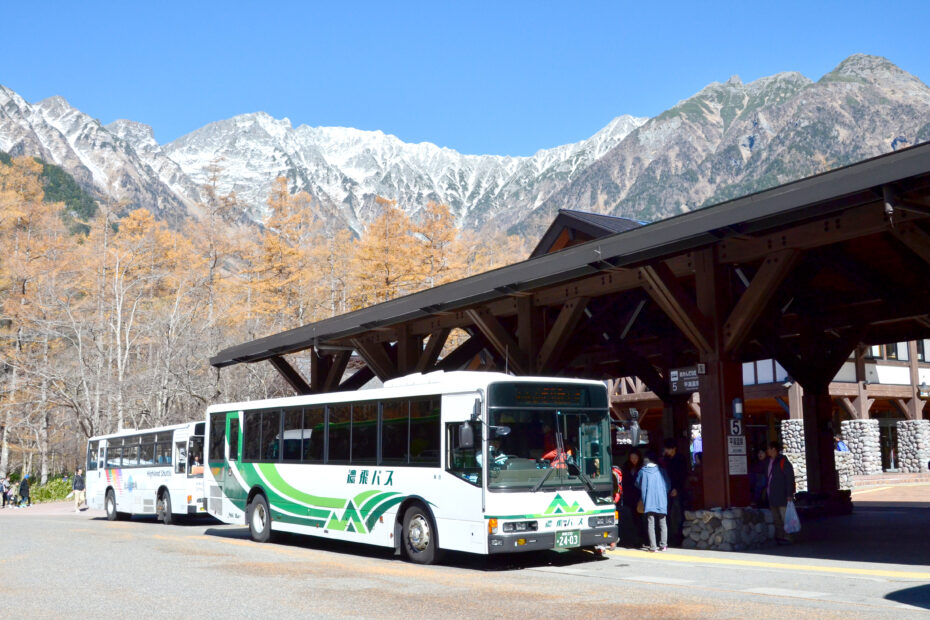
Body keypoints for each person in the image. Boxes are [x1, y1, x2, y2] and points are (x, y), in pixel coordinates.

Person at [635, 451, 670, 552]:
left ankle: (653, 547)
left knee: (651, 523)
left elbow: (637, 483)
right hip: (661, 499)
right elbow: (668, 484)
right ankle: (663, 545)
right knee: (663, 522)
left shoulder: (642, 471)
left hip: (649, 500)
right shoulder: (662, 470)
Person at [766, 441, 796, 544]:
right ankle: (780, 536)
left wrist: (789, 494)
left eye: (769, 449)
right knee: (776, 518)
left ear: (774, 449)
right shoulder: (769, 462)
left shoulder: (783, 462)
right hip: (772, 495)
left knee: (785, 518)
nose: (767, 451)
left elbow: (790, 478)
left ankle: (788, 536)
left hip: (783, 495)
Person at [661, 438, 688, 546]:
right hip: (668, 488)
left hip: (678, 489)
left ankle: (679, 537)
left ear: (674, 449)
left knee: (678, 513)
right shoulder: (666, 459)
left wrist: (677, 488)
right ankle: (671, 536)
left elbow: (682, 475)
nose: (666, 451)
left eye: (668, 449)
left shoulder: (680, 459)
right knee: (669, 514)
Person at [621, 450, 645, 547]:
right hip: (629, 496)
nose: (633, 460)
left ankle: (641, 539)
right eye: (632, 458)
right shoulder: (626, 466)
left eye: (635, 458)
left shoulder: (642, 467)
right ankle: (633, 539)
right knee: (632, 518)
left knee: (640, 519)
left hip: (639, 496)